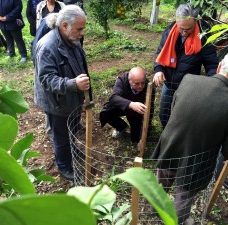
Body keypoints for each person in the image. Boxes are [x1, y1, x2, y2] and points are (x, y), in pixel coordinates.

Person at [152, 52, 228, 225]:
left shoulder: (189, 80)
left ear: (220, 66)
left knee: (160, 183)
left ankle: (154, 212)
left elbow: (175, 108)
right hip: (196, 162)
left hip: (171, 144)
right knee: (183, 196)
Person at [34, 5, 91, 180]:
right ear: (64, 25)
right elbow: (47, 80)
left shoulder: (71, 40)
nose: (82, 33)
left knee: (72, 129)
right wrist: (74, 84)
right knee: (60, 136)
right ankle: (64, 166)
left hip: (72, 98)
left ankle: (72, 151)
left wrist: (84, 95)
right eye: (79, 29)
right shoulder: (47, 47)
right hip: (56, 102)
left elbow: (80, 66)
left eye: (83, 28)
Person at [153, 3, 219, 128]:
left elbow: (211, 64)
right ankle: (166, 137)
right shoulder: (170, 30)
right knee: (164, 115)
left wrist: (213, 83)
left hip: (189, 87)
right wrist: (158, 69)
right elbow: (160, 53)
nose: (184, 32)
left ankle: (178, 140)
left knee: (183, 118)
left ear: (195, 21)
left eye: (188, 29)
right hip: (169, 83)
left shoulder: (203, 35)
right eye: (181, 28)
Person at [100, 67, 154, 144]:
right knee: (106, 113)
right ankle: (121, 127)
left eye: (143, 83)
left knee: (136, 139)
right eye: (136, 83)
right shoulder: (122, 80)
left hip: (136, 113)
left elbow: (149, 112)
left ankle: (137, 134)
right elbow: (113, 97)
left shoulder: (149, 87)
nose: (140, 86)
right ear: (129, 81)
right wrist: (130, 104)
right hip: (122, 107)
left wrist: (143, 137)